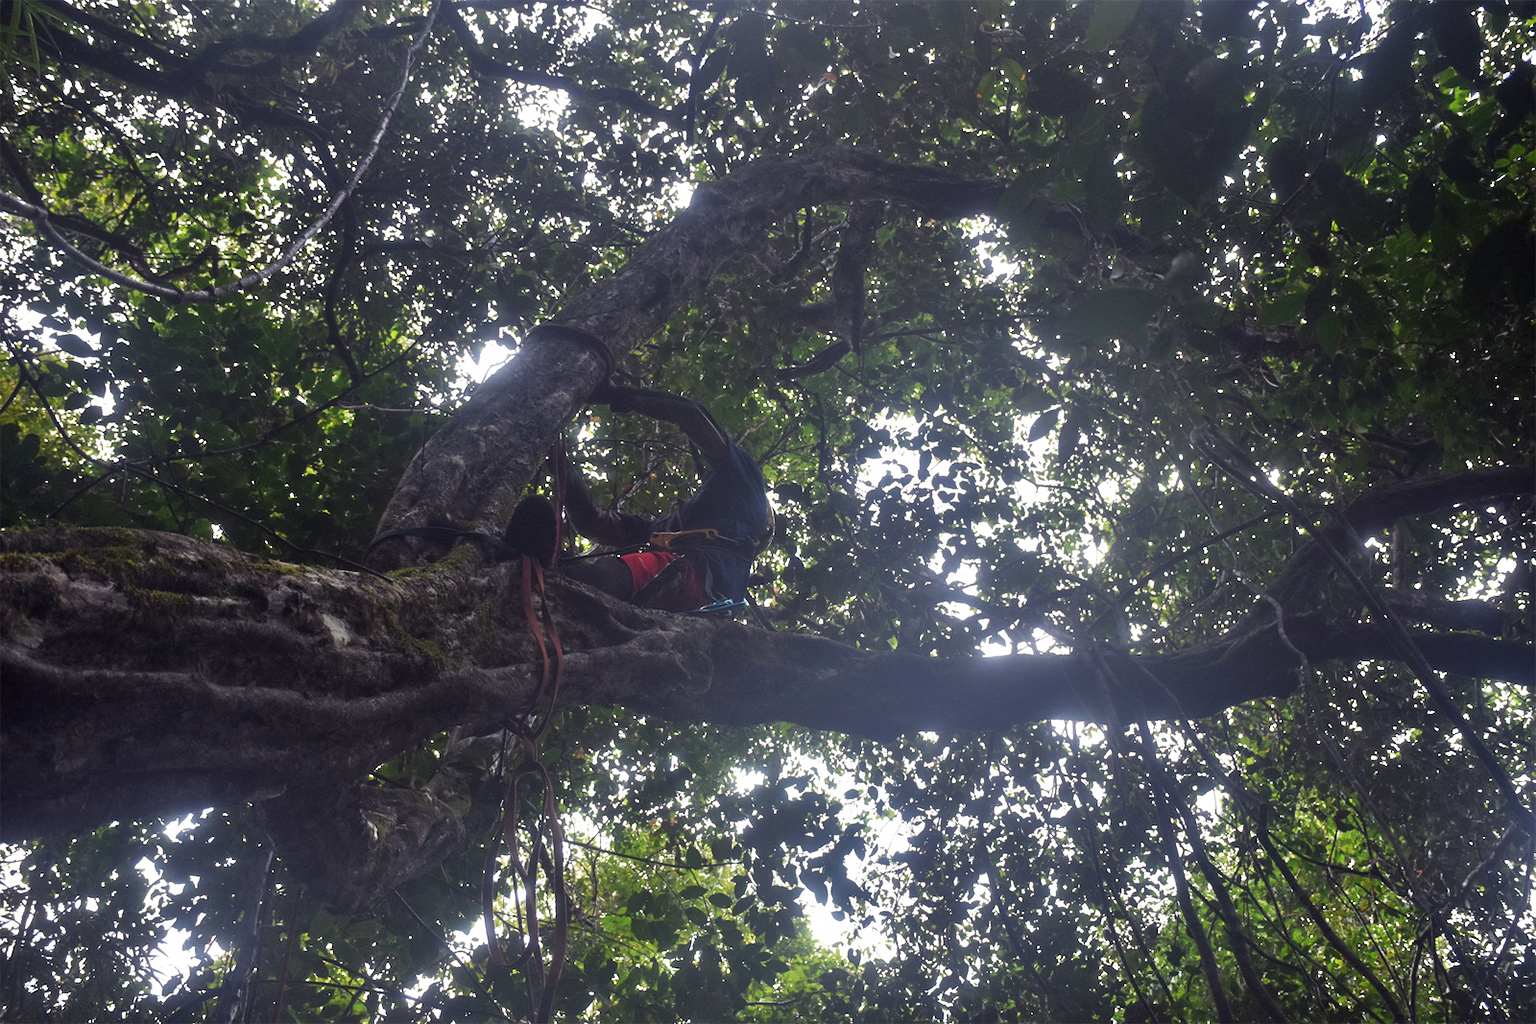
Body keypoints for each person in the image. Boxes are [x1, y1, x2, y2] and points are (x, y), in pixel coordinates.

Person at [503, 384, 771, 611]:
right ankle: (539, 574)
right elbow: (597, 523)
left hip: (697, 586)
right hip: (674, 600)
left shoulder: (748, 497)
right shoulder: (671, 530)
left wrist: (615, 395)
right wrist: (559, 465)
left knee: (644, 568)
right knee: (536, 511)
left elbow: (692, 416)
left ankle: (548, 586)